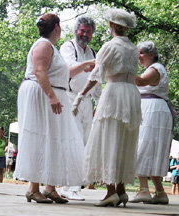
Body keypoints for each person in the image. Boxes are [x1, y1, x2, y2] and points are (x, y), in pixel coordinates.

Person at [73, 8, 141, 207]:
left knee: (109, 138)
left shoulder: (109, 46)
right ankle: (121, 190)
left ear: (111, 26)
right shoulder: (132, 48)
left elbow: (96, 75)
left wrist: (80, 96)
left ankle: (112, 190)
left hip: (115, 93)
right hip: (131, 94)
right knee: (123, 139)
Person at [13, 13, 84, 204]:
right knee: (39, 136)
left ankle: (50, 187)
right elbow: (39, 71)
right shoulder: (43, 44)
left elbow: (64, 73)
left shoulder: (52, 48)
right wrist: (51, 96)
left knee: (55, 139)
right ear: (57, 28)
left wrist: (85, 65)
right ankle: (33, 188)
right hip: (41, 94)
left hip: (52, 93)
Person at [59, 16, 100, 201]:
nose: (85, 34)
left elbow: (96, 80)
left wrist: (99, 103)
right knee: (72, 141)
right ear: (76, 30)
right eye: (82, 30)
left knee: (84, 143)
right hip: (69, 97)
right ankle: (69, 186)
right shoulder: (68, 47)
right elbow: (69, 69)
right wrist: (87, 65)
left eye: (88, 31)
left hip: (86, 101)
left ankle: (75, 185)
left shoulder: (92, 51)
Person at [130, 41, 173, 204]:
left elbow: (140, 81)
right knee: (150, 148)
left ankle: (143, 190)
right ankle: (161, 192)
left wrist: (122, 69)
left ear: (151, 54)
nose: (138, 56)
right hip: (152, 109)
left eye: (141, 53)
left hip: (153, 110)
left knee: (143, 146)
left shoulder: (156, 69)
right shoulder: (152, 69)